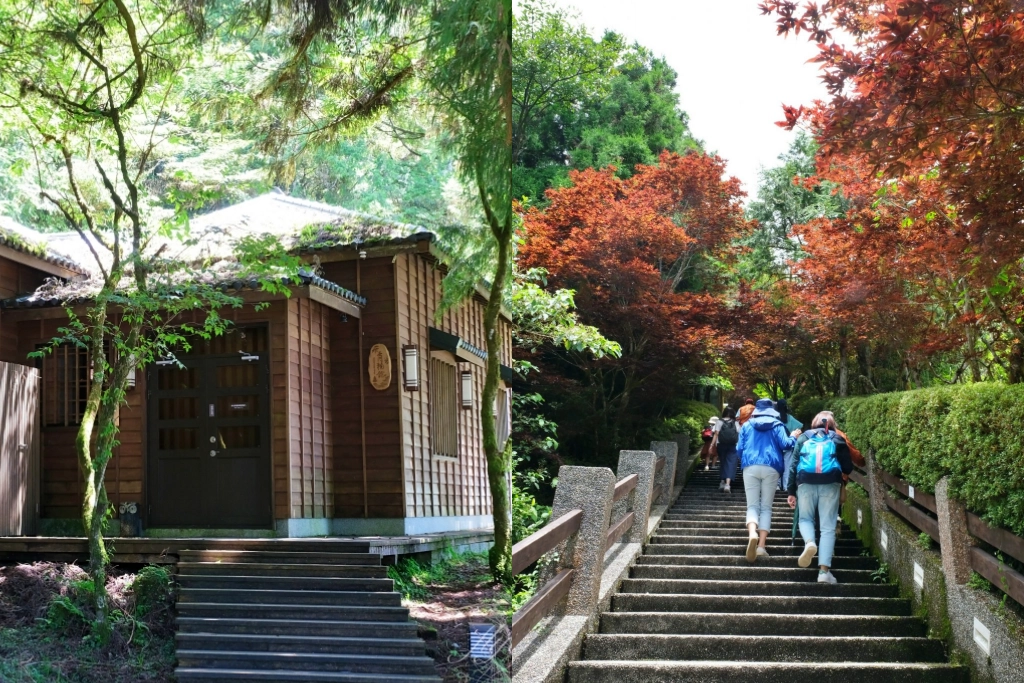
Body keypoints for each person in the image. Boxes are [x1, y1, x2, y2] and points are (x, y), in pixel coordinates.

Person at [786, 412, 854, 584]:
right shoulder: (837, 439)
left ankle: (809, 542)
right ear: (832, 424)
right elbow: (848, 467)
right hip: (830, 484)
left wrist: (791, 491)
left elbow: (793, 466)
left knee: (805, 519)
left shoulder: (803, 438)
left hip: (805, 483)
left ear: (813, 423)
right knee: (828, 527)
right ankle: (824, 573)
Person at [736, 398, 797, 562]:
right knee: (766, 507)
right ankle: (761, 546)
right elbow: (786, 445)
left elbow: (739, 449)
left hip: (750, 466)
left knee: (752, 505)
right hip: (771, 467)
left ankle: (752, 534)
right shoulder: (777, 425)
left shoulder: (747, 425)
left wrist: (747, 459)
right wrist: (793, 436)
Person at [775, 398, 803, 492]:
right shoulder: (789, 418)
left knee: (777, 466)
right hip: (789, 445)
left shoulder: (775, 418)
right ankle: (786, 486)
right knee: (787, 467)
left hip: (777, 446)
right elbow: (800, 425)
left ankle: (777, 486)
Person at [710, 407, 739, 493]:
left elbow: (716, 434)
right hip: (733, 446)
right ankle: (727, 485)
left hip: (721, 445)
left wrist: (711, 445)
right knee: (731, 464)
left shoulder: (719, 421)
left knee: (723, 462)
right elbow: (739, 433)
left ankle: (722, 482)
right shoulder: (735, 422)